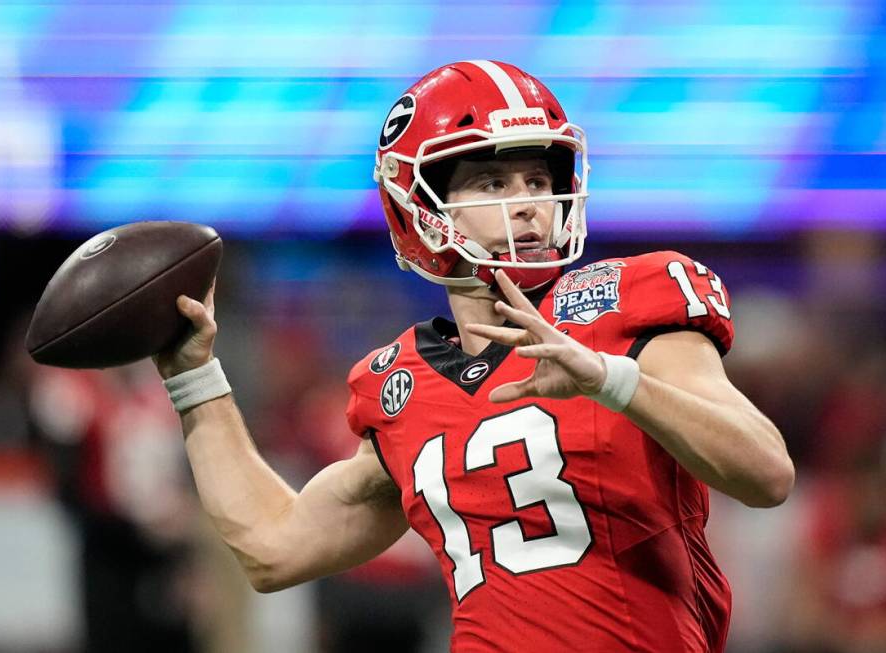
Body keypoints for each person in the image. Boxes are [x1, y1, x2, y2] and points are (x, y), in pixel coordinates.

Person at [153, 60, 795, 652]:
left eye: (539, 179)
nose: (528, 203)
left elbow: (766, 473)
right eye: (492, 181)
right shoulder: (402, 384)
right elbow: (274, 548)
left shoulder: (629, 303)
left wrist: (611, 380)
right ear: (423, 210)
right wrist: (194, 378)